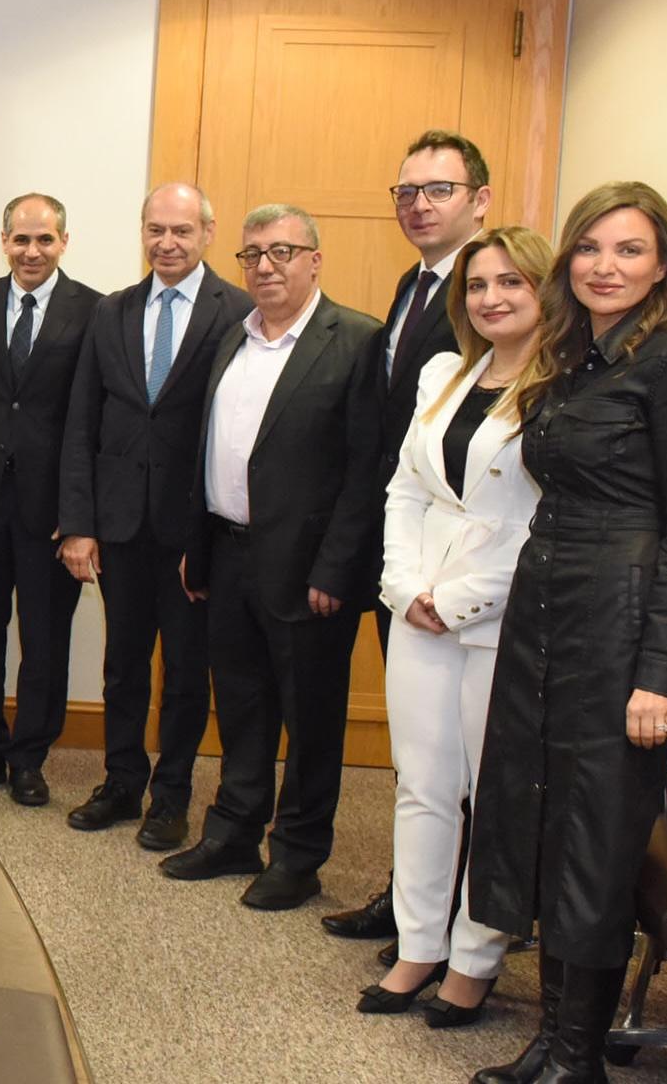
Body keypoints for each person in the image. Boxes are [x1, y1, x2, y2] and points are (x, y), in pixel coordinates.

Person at [468, 183, 667, 1084]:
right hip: (544, 615)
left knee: (596, 837)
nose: (606, 267)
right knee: (539, 821)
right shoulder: (576, 361)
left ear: (662, 265)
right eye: (591, 249)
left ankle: (579, 1059)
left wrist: (661, 677)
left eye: (630, 250)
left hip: (622, 625)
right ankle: (554, 1039)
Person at [163, 204, 383, 910]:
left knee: (310, 719)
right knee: (243, 704)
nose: (265, 265)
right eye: (252, 253)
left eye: (282, 251)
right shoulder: (234, 338)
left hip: (309, 570)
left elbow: (366, 472)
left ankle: (298, 855)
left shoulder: (354, 342)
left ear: (314, 260)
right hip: (229, 554)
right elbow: (209, 453)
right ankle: (233, 833)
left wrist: (337, 570)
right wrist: (197, 551)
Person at [359, 226, 548, 1027]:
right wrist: (404, 588)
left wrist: (460, 599)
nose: (492, 297)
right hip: (418, 611)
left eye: (511, 282)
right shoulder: (444, 372)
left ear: (545, 291)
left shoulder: (565, 386)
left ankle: (475, 961)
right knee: (424, 788)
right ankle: (419, 945)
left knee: (493, 797)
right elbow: (405, 489)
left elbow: (552, 522)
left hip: (502, 619)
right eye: (477, 285)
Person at [324, 128, 493, 946]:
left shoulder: (493, 292)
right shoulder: (413, 283)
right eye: (406, 193)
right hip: (405, 560)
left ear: (480, 202)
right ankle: (414, 902)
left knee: (461, 763)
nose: (418, 206)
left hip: (464, 576)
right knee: (421, 760)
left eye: (437, 191)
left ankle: (467, 920)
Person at [57, 183, 253, 849]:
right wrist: (79, 523)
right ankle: (120, 781)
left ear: (207, 232)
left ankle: (170, 796)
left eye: (181, 230)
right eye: (155, 230)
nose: (167, 243)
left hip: (192, 531)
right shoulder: (112, 312)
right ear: (142, 233)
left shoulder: (240, 312)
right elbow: (82, 423)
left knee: (186, 672)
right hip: (118, 525)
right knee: (123, 664)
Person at [0, 193, 99, 804]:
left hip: (52, 512)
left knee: (45, 640)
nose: (33, 251)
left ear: (63, 242)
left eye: (45, 240)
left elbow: (92, 419)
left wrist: (81, 512)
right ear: (3, 241)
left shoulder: (93, 311)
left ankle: (30, 759)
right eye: (21, 240)